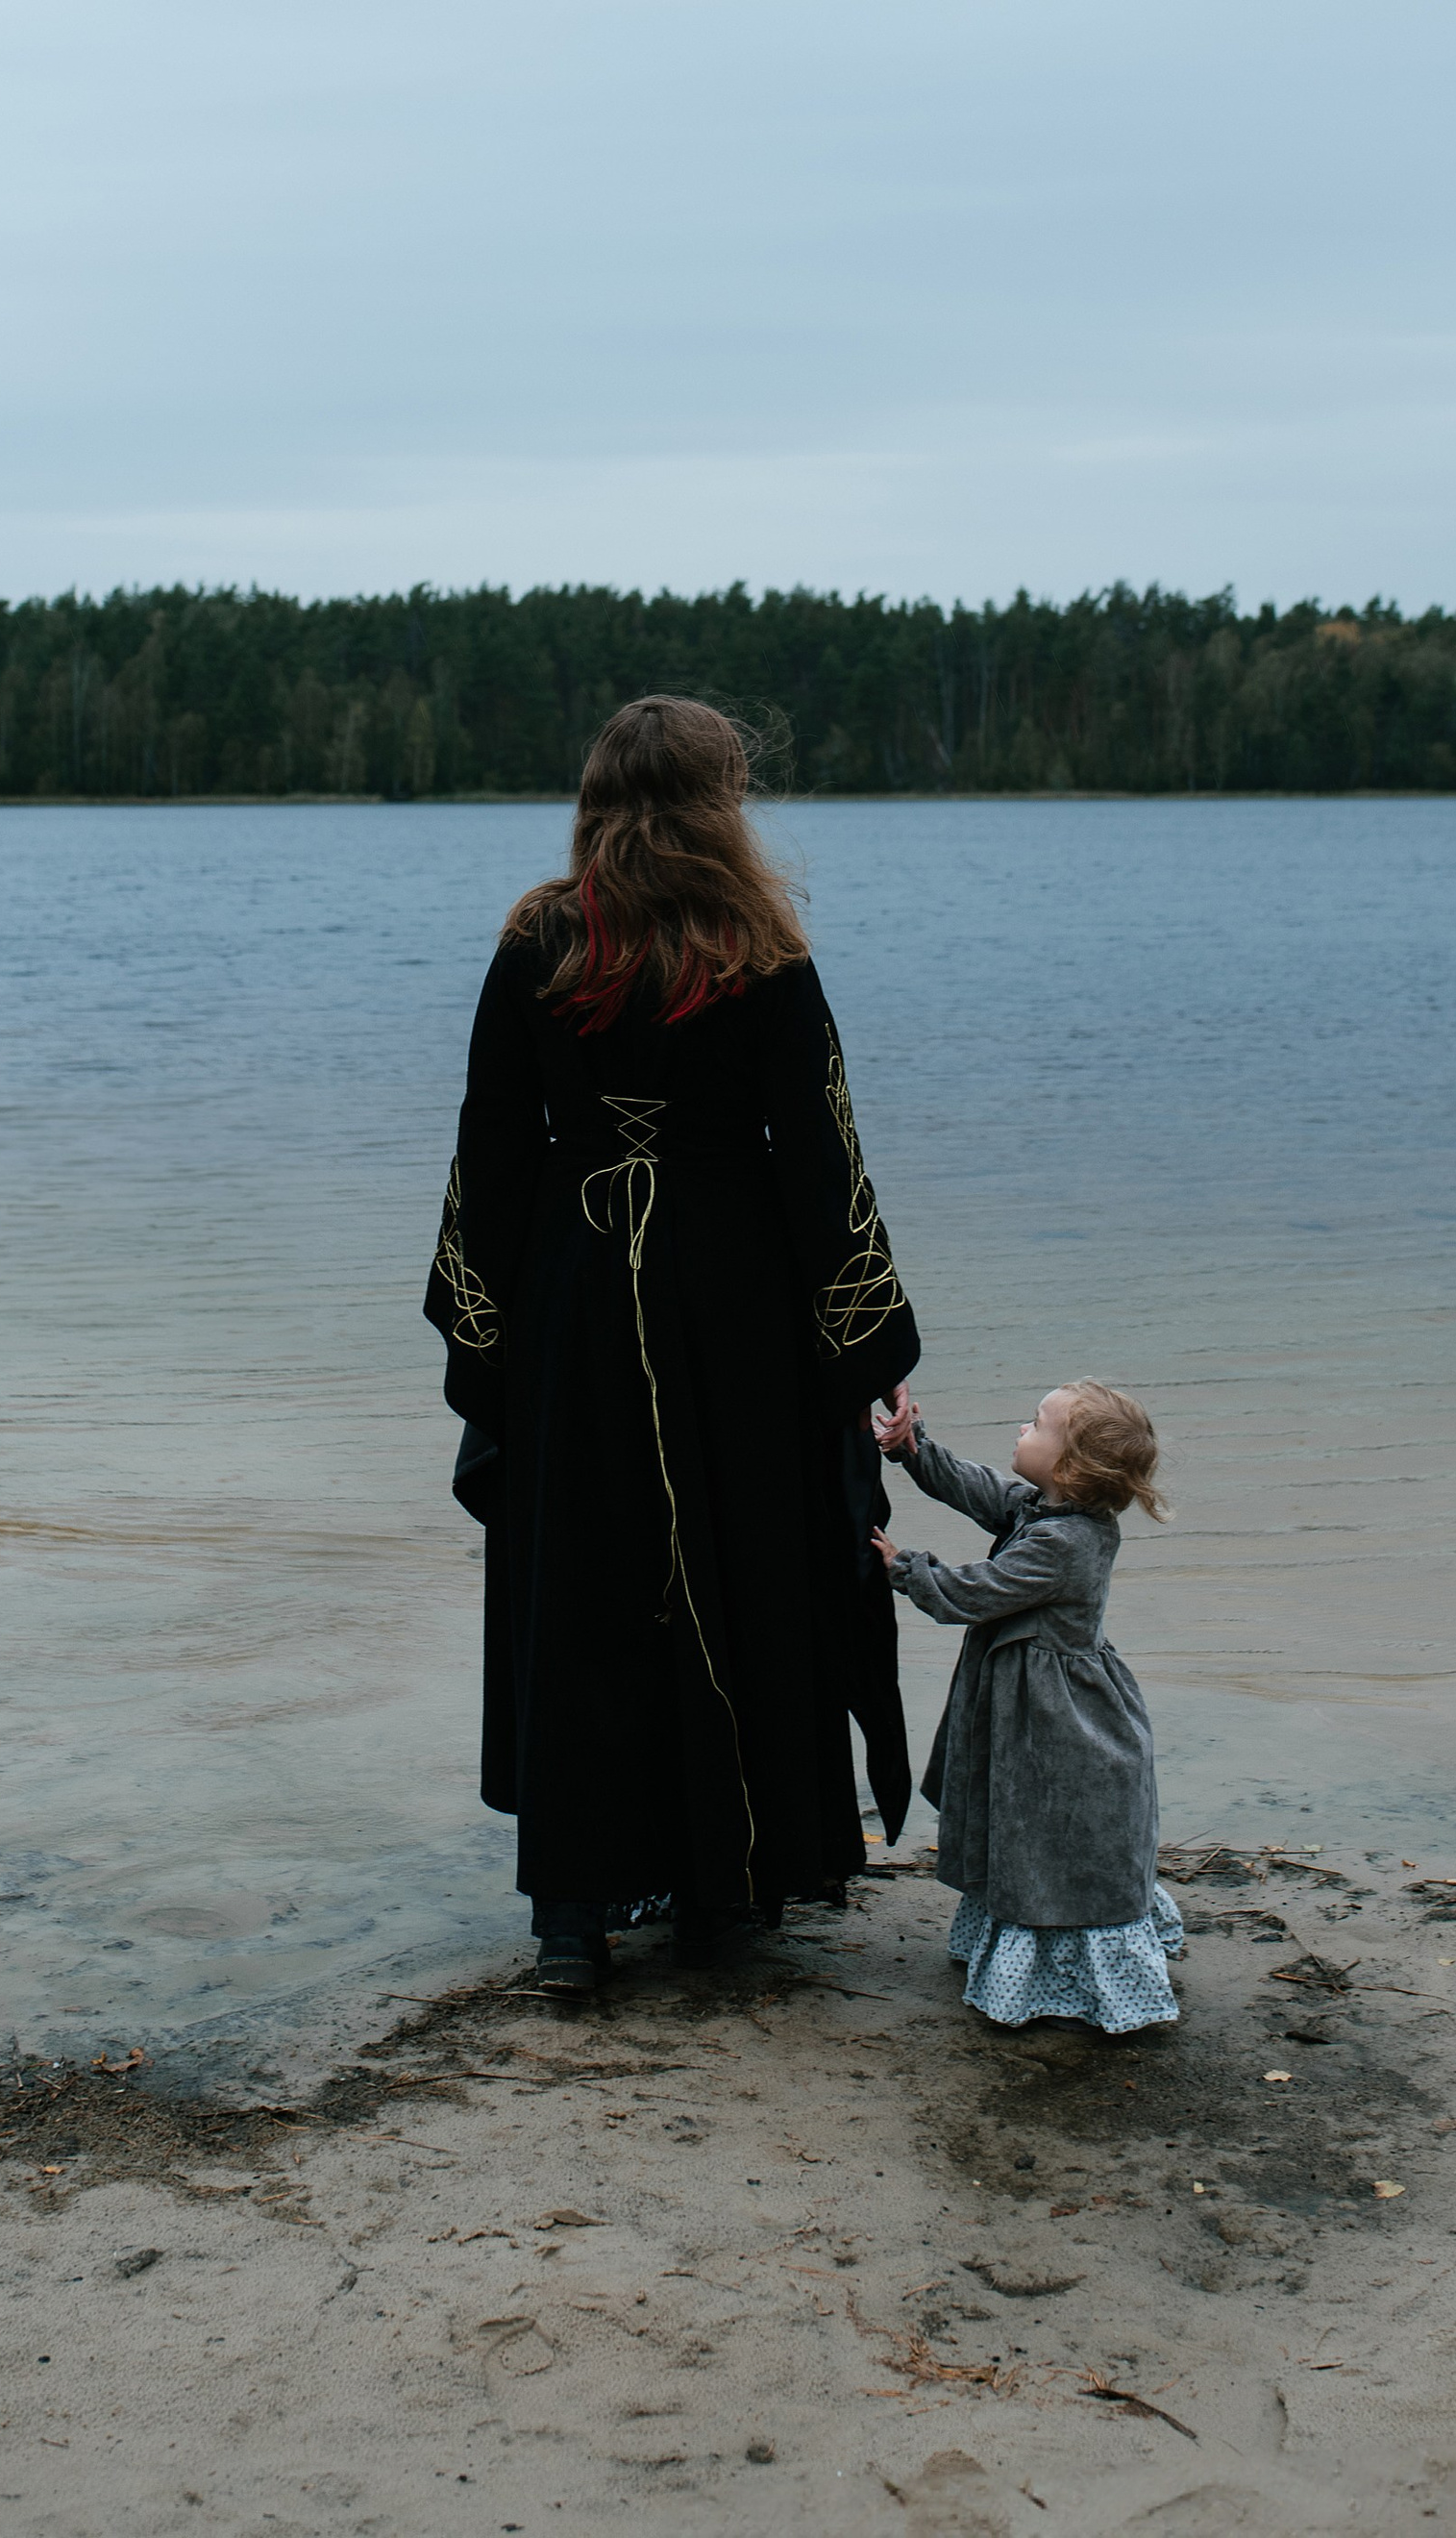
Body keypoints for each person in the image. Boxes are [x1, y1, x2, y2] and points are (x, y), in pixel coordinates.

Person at [423, 696, 922, 1991]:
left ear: (595, 796)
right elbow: (819, 1154)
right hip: (734, 1297)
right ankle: (721, 1901)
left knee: (580, 1582)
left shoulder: (540, 935)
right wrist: (864, 1331)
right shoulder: (759, 942)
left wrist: (488, 1334)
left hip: (575, 1294)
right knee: (744, 1561)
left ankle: (572, 1924)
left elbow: (491, 1144)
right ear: (722, 799)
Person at [871, 1377, 1182, 2032]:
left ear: (1069, 1466)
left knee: (1050, 1831)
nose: (1021, 1430)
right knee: (1024, 1824)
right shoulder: (1048, 1512)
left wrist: (904, 1567)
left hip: (1061, 1721)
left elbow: (975, 1593)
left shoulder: (1066, 1543)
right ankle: (1021, 1942)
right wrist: (912, 1449)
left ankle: (1069, 1972)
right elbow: (981, 1490)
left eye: (1037, 1426)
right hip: (1029, 1703)